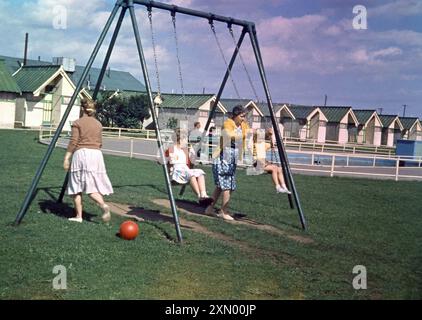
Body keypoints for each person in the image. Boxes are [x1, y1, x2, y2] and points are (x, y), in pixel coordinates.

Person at [63, 98, 114, 223]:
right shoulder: (98, 124)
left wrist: (66, 158)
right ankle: (102, 205)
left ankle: (80, 216)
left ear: (82, 108)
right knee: (91, 185)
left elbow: (74, 142)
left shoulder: (78, 123)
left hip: (82, 154)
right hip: (96, 155)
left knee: (76, 187)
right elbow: (100, 143)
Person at [205, 105, 249, 221]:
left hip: (231, 159)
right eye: (242, 116)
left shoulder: (243, 126)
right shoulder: (228, 124)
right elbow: (230, 136)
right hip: (222, 158)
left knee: (221, 186)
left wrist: (267, 135)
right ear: (235, 115)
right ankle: (224, 211)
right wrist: (245, 135)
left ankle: (209, 209)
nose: (243, 119)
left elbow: (250, 134)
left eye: (245, 116)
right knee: (227, 186)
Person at [165, 128, 213, 206]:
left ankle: (204, 195)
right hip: (176, 173)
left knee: (200, 172)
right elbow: (164, 161)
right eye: (185, 139)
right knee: (191, 175)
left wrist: (192, 152)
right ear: (180, 139)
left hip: (184, 170)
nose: (187, 141)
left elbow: (192, 161)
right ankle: (199, 196)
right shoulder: (171, 149)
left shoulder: (185, 150)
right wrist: (168, 162)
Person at [253, 127, 291, 194]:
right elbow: (257, 134)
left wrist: (271, 135)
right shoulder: (254, 143)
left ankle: (284, 187)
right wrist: (268, 133)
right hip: (257, 163)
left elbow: (272, 145)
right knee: (274, 168)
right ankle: (277, 187)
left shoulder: (264, 144)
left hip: (263, 162)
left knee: (279, 169)